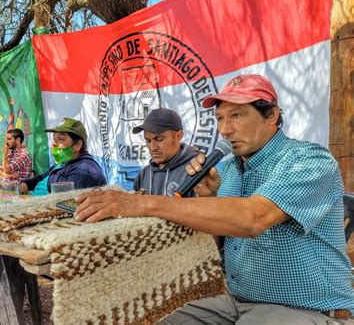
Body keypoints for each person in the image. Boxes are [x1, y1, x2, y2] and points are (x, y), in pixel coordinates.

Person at [74, 74, 354, 323]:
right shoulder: (227, 169)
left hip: (307, 308)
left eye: (237, 116)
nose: (225, 130)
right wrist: (209, 199)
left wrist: (142, 203)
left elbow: (254, 219)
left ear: (271, 115)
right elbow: (220, 244)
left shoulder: (308, 159)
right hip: (236, 299)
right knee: (151, 315)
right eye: (220, 118)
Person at [19, 118, 106, 195]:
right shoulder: (63, 162)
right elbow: (43, 177)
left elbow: (66, 205)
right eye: (54, 139)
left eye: (61, 139)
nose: (54, 144)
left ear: (77, 145)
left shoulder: (84, 170)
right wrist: (26, 184)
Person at [131, 108, 200, 196]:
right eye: (148, 141)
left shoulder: (195, 170)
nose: (153, 148)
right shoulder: (143, 175)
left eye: (159, 139)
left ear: (178, 136)